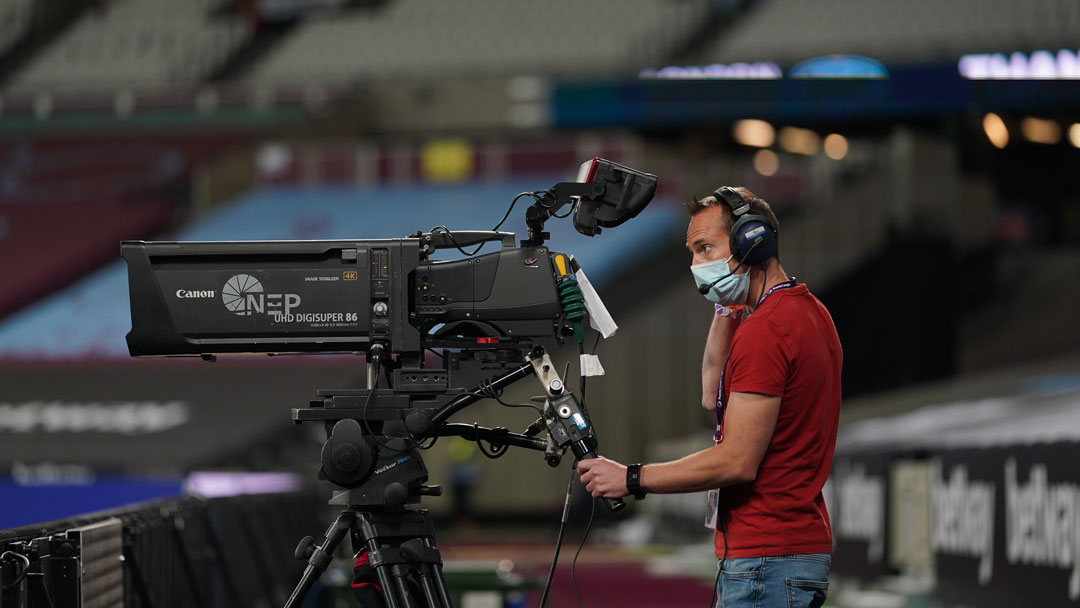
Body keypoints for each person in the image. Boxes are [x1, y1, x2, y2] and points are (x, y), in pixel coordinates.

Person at [577, 187, 842, 608]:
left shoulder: (768, 330)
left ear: (751, 243)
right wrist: (727, 304)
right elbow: (711, 393)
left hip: (766, 562)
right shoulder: (805, 311)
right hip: (782, 556)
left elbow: (736, 461)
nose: (696, 266)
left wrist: (629, 477)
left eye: (704, 249)